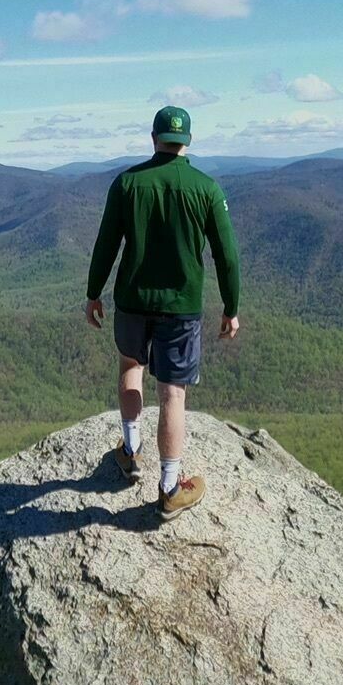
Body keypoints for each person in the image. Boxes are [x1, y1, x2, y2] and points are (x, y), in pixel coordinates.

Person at [85, 104, 242, 516]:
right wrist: (231, 306)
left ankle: (131, 449)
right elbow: (227, 256)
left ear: (153, 137)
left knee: (130, 366)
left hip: (133, 299)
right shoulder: (206, 188)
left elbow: (106, 243)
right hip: (182, 306)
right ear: (188, 141)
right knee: (172, 393)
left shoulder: (127, 183)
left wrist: (93, 292)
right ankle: (170, 488)